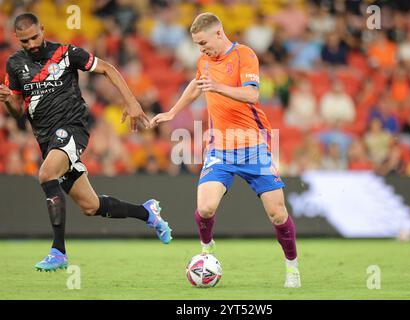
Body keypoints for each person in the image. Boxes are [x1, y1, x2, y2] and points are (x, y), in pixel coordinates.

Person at [0, 13, 172, 272]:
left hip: (72, 128)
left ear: (43, 29)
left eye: (35, 37)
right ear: (17, 38)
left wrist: (132, 102)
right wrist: (6, 100)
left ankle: (58, 252)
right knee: (91, 206)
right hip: (46, 139)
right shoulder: (14, 65)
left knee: (47, 174)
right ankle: (148, 213)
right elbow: (17, 111)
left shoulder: (66, 54)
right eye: (25, 41)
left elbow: (107, 68)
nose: (32, 44)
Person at [150, 13, 300, 288]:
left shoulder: (244, 55)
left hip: (254, 146)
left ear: (219, 33)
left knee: (278, 214)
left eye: (203, 42)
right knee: (205, 208)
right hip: (220, 147)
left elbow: (252, 94)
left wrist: (217, 87)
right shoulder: (204, 61)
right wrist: (173, 112)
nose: (201, 49)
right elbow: (197, 85)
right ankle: (206, 249)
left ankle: (292, 267)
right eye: (197, 44)